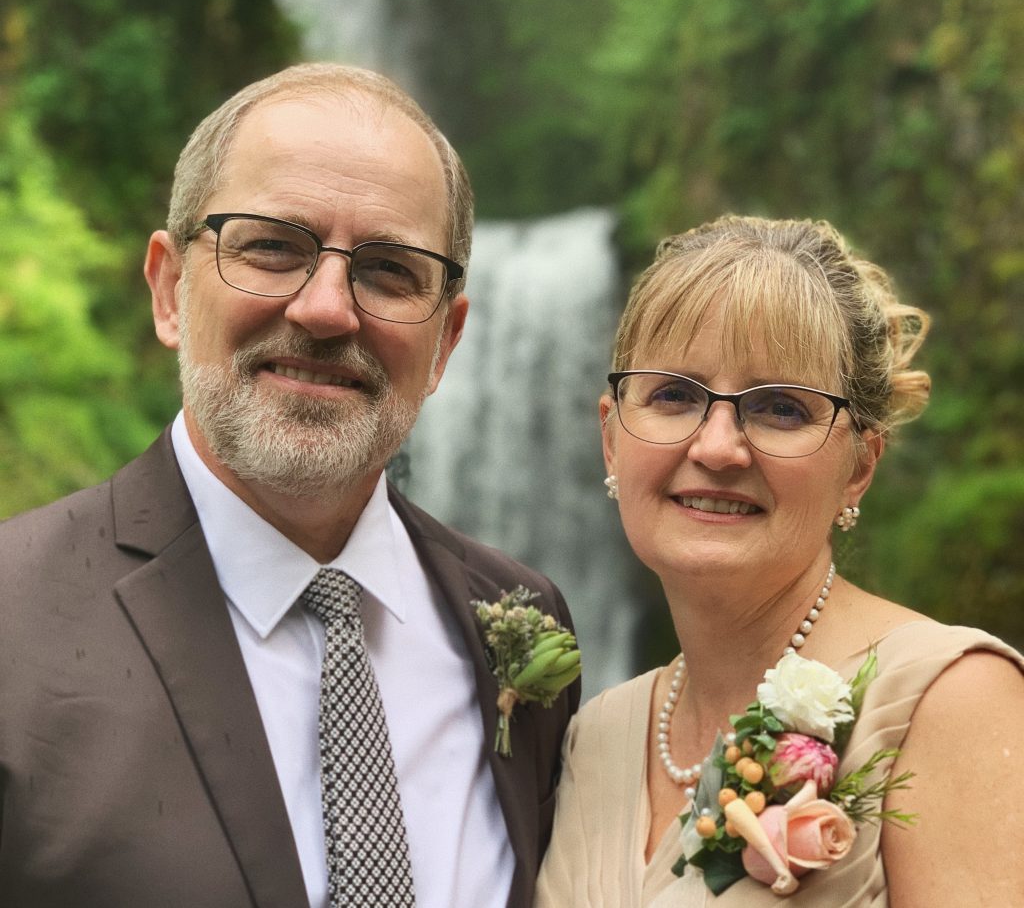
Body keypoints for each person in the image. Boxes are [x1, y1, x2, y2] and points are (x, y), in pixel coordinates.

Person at [0, 63, 579, 908]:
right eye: (272, 246)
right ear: (169, 288)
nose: (326, 309)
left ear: (448, 340)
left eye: (389, 269)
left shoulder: (523, 620)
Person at [535, 215, 1024, 906]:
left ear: (859, 466)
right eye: (674, 394)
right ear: (611, 438)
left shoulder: (951, 703)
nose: (718, 447)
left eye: (781, 409)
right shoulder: (594, 735)